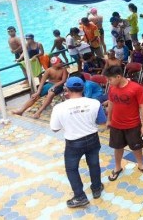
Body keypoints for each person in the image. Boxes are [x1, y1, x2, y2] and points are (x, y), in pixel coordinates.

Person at [50, 77, 107, 208]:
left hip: (73, 142)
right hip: (93, 138)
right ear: (83, 88)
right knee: (93, 164)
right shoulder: (94, 103)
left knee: (71, 169)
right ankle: (97, 188)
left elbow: (54, 128)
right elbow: (102, 122)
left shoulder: (59, 108)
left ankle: (80, 196)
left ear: (67, 90)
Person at [104, 66, 143, 180]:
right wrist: (109, 119)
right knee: (117, 147)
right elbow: (111, 103)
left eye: (110, 79)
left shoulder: (136, 88)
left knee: (136, 147)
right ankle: (117, 167)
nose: (108, 82)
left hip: (133, 125)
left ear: (118, 76)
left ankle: (141, 165)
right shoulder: (112, 88)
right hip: (116, 125)